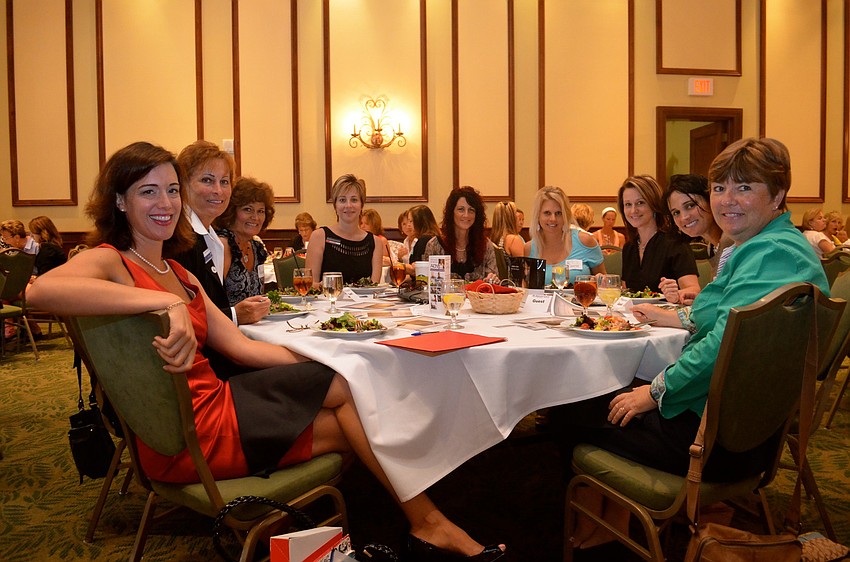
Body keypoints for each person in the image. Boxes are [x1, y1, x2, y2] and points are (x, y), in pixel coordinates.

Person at [26, 142, 505, 561]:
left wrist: (329, 357)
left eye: (171, 190)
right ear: (119, 201)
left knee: (348, 408)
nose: (165, 202)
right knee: (352, 396)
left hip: (214, 407)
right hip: (187, 434)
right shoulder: (113, 260)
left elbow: (242, 348)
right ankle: (418, 523)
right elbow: (38, 294)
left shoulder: (183, 272)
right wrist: (163, 300)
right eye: (148, 191)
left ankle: (361, 529)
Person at [562, 137, 830, 548]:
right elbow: (715, 316)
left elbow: (724, 342)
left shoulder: (772, 254)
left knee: (572, 406)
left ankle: (603, 525)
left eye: (744, 187)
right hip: (739, 428)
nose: (727, 200)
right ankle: (609, 512)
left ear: (777, 194)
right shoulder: (762, 247)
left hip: (718, 441)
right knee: (605, 393)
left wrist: (653, 392)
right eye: (720, 188)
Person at [173, 140, 269, 325]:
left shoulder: (210, 237)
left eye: (224, 182)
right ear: (183, 184)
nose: (218, 191)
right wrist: (234, 315)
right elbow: (182, 316)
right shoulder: (178, 239)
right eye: (207, 180)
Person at [618, 175, 699, 294]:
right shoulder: (629, 247)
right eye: (628, 204)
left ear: (654, 204)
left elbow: (694, 291)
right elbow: (627, 291)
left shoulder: (675, 243)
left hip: (669, 311)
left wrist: (676, 293)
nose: (633, 210)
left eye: (640, 203)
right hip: (633, 312)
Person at [662, 174, 732, 303]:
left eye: (690, 206)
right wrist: (698, 299)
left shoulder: (730, 241)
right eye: (676, 213)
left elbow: (730, 305)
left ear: (710, 199)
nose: (684, 217)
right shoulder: (713, 247)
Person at [305, 174, 384, 285]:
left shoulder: (376, 242)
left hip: (365, 302)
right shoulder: (319, 236)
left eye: (354, 200)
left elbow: (374, 287)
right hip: (328, 301)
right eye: (342, 200)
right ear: (335, 206)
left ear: (361, 205)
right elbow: (310, 285)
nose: (348, 205)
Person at [523, 186, 605, 286]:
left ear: (566, 215)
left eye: (558, 213)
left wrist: (600, 280)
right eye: (547, 213)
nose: (553, 219)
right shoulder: (528, 249)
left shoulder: (586, 241)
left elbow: (604, 283)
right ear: (538, 216)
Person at [213, 177, 275, 305]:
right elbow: (212, 300)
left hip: (254, 322)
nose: (255, 217)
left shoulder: (256, 247)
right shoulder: (223, 245)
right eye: (248, 209)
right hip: (227, 322)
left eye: (260, 211)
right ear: (231, 211)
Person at [423, 186, 498, 281]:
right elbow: (426, 283)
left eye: (471, 210)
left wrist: (493, 279)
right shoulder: (434, 245)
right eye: (461, 209)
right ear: (451, 212)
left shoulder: (486, 245)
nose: (466, 215)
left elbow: (493, 282)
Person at [405, 204, 440, 275]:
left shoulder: (424, 240)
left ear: (419, 222)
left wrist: (396, 264)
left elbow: (417, 269)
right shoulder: (435, 236)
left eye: (411, 221)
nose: (408, 225)